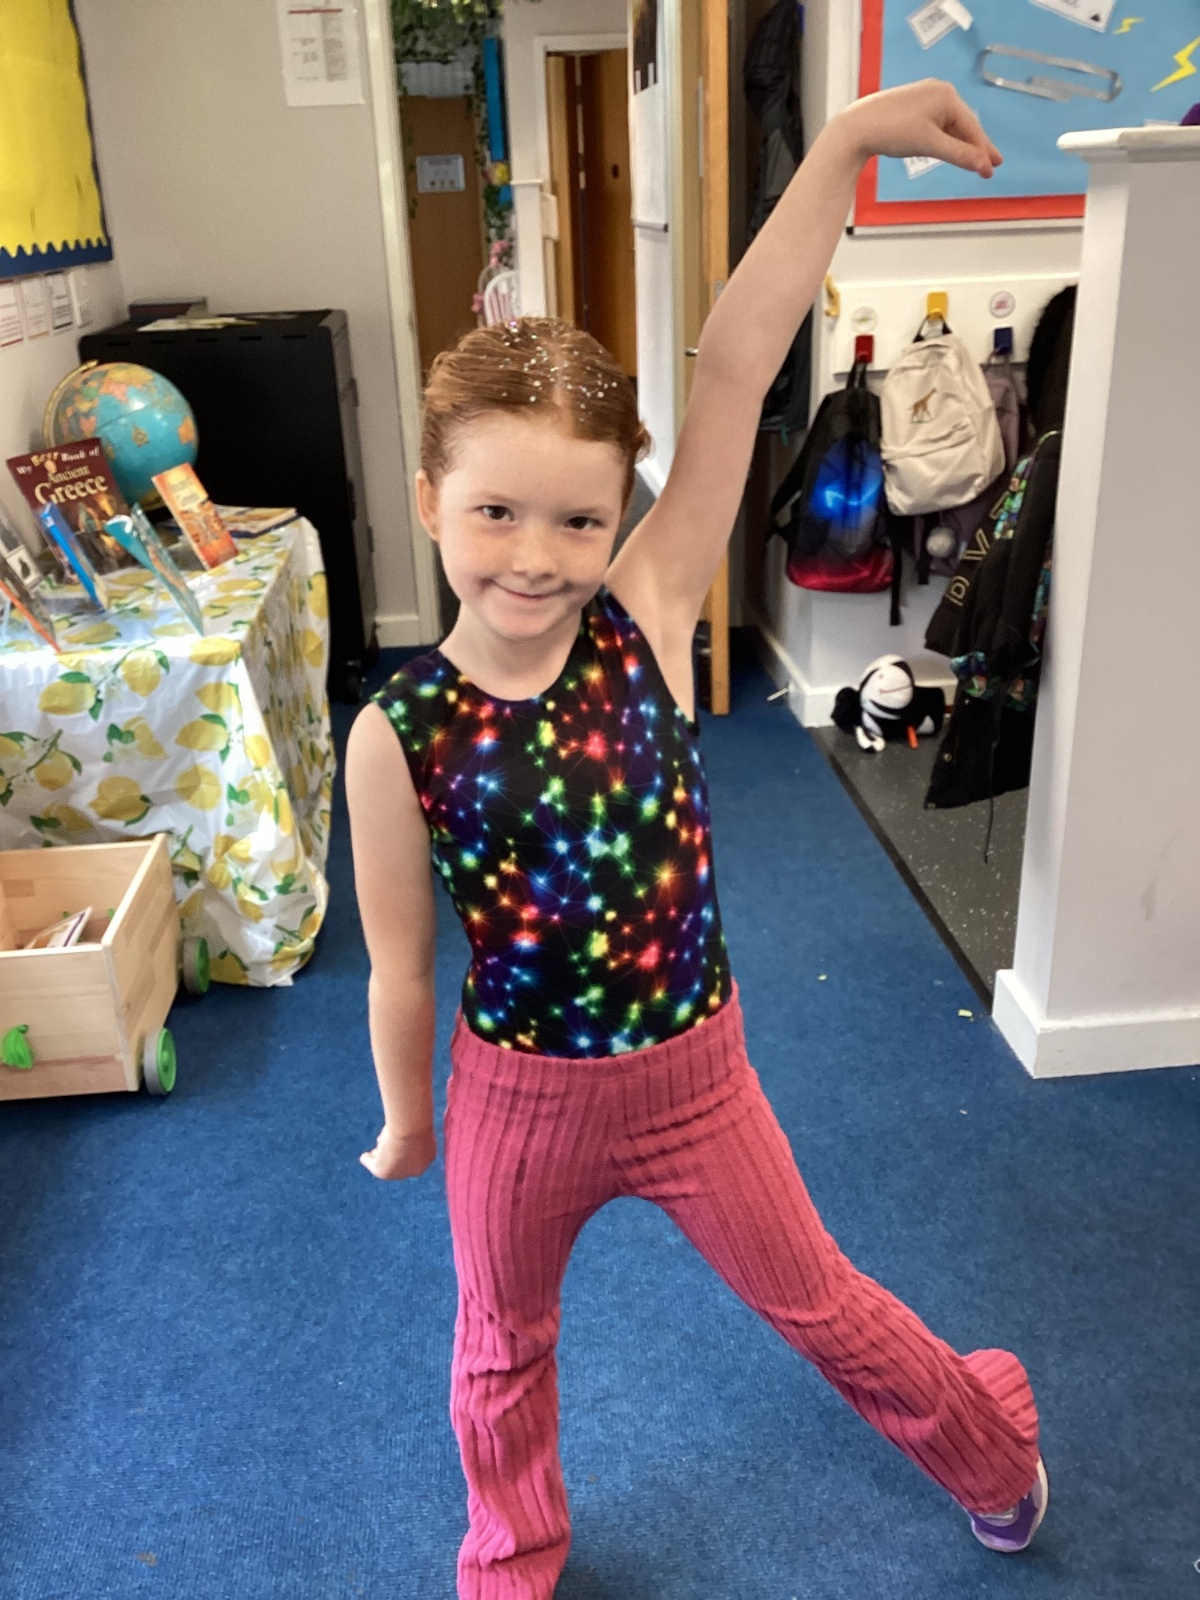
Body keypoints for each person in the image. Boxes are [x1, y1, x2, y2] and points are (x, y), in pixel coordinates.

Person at [346, 78, 1047, 1600]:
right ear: (432, 502)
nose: (537, 558)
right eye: (496, 514)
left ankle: (990, 1442)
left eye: (579, 521)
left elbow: (735, 363)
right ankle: (512, 1549)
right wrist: (410, 1121)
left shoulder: (648, 611)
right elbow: (399, 966)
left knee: (817, 1302)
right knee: (498, 1346)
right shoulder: (397, 730)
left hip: (695, 1079)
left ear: (622, 520)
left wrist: (843, 145)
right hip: (514, 1099)